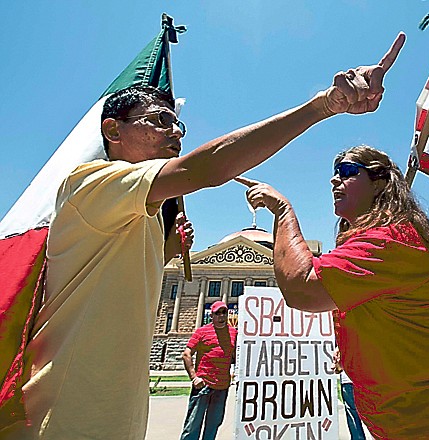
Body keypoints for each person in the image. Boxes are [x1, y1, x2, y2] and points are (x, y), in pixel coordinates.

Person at [3, 33, 405, 440]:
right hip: (63, 418)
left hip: (112, 417)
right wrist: (322, 106)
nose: (175, 132)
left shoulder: (137, 218)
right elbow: (207, 169)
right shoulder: (87, 182)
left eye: (177, 123)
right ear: (112, 130)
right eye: (160, 121)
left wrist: (166, 252)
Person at [237, 145, 429, 439]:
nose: (334, 179)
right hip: (407, 417)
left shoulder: (390, 240)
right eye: (334, 173)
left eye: (348, 171)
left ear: (380, 182)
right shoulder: (378, 238)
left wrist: (282, 211)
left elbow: (301, 288)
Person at [180, 301, 237, 440]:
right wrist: (194, 377)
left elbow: (236, 357)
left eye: (224, 312)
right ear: (212, 315)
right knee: (192, 426)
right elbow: (186, 354)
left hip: (222, 387)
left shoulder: (234, 333)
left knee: (213, 425)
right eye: (218, 313)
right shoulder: (202, 332)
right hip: (203, 386)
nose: (221, 316)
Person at [333, 346, 367, 440]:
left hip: (348, 379)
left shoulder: (343, 341)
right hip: (367, 379)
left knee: (353, 415)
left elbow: (338, 365)